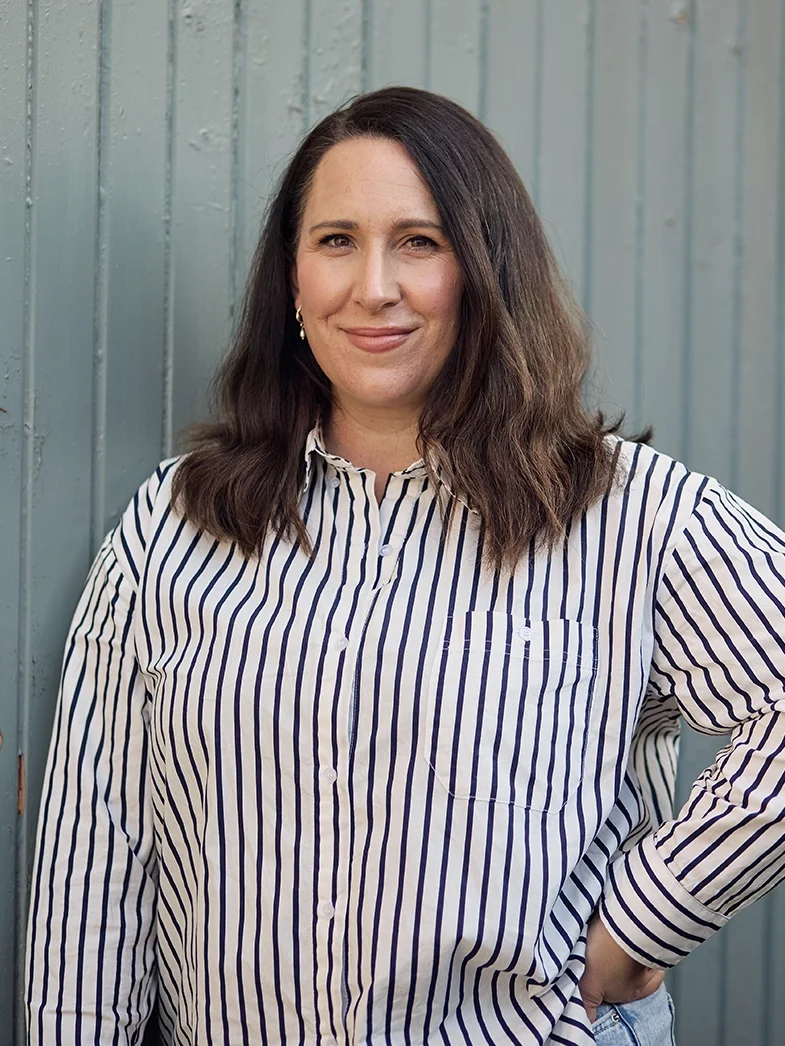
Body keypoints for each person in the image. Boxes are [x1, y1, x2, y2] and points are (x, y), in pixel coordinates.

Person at [24, 85, 785, 1046]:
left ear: (485, 269)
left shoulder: (623, 513)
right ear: (291, 282)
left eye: (419, 243)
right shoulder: (175, 523)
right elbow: (97, 849)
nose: (372, 286)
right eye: (335, 241)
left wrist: (643, 925)